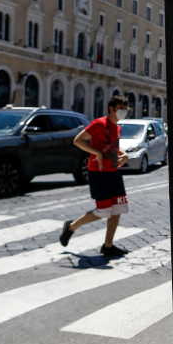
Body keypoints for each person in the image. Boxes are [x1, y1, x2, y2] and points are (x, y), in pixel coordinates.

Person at [59, 95, 130, 257]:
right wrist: (96, 152)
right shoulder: (99, 123)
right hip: (98, 172)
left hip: (114, 172)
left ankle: (108, 245)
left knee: (118, 209)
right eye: (121, 109)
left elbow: (115, 147)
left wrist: (124, 155)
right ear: (111, 109)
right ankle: (71, 227)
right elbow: (78, 140)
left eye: (125, 109)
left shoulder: (117, 127)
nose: (124, 112)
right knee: (104, 210)